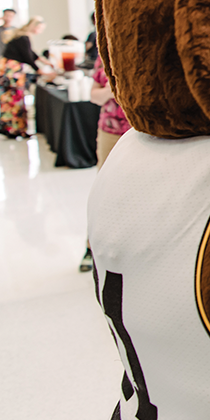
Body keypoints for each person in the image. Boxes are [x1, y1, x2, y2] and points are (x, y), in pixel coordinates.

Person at [79, 56, 131, 272]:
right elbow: (95, 96)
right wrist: (114, 89)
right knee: (104, 191)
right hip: (111, 131)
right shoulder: (105, 56)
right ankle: (91, 247)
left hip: (145, 132)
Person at [0, 16, 54, 138]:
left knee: (12, 98)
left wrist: (44, 62)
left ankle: (14, 128)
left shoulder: (21, 37)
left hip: (9, 69)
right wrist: (41, 71)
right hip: (13, 70)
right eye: (40, 28)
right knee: (14, 98)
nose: (40, 31)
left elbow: (31, 53)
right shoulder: (24, 37)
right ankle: (13, 128)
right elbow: (28, 56)